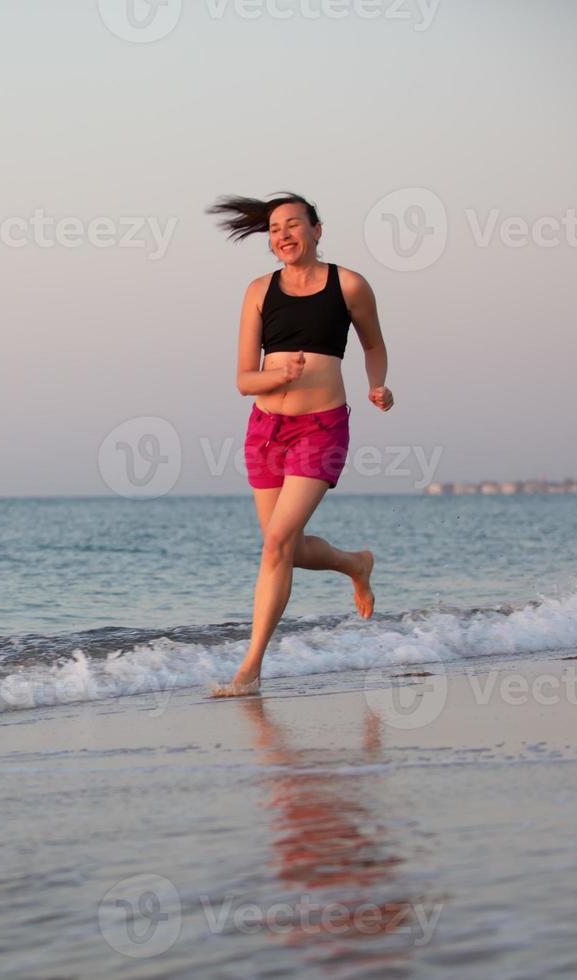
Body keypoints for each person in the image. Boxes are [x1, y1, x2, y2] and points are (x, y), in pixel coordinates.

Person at [206, 192, 393, 697]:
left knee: (275, 544)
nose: (283, 235)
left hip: (322, 427)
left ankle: (250, 669)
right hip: (265, 430)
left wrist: (378, 384)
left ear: (317, 229)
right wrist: (277, 375)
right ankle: (355, 564)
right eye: (274, 229)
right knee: (282, 547)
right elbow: (244, 379)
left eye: (293, 224)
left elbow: (373, 344)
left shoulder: (348, 284)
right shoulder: (258, 292)